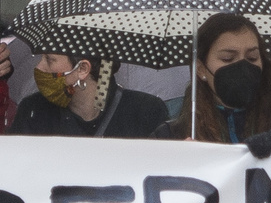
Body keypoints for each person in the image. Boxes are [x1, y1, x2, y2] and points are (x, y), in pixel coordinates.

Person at [161, 12, 271, 144]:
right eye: (228, 58)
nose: (242, 67)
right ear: (201, 68)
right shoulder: (170, 137)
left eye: (252, 58)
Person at [8, 48, 165, 138]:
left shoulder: (146, 112)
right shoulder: (32, 111)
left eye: (49, 60)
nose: (39, 67)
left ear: (82, 69)